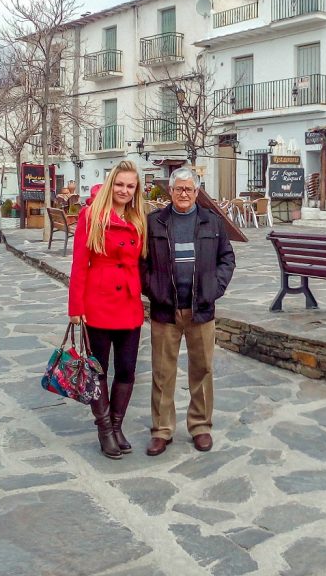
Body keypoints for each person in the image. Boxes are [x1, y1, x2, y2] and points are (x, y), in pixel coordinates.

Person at [142, 168, 235, 455]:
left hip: (201, 308)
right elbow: (141, 262)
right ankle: (161, 430)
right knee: (162, 371)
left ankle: (200, 426)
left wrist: (213, 289)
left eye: (189, 189)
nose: (184, 194)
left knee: (203, 369)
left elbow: (227, 259)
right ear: (170, 191)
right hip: (165, 309)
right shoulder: (154, 222)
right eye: (179, 188)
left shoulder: (212, 222)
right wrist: (154, 288)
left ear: (197, 192)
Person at [67, 160, 147, 459]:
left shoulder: (138, 217)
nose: (124, 190)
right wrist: (75, 306)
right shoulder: (92, 215)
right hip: (98, 301)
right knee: (98, 369)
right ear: (111, 183)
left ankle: (117, 425)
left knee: (126, 369)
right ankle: (104, 430)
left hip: (128, 302)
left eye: (130, 186)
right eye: (120, 184)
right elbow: (79, 263)